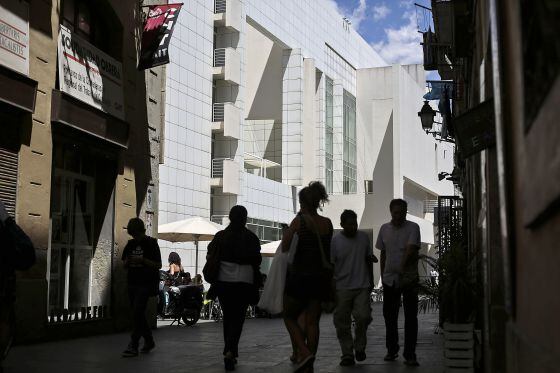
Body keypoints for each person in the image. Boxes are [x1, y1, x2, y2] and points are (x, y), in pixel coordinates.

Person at [282, 181, 333, 373]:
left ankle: (304, 352)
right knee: (313, 322)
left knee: (288, 316)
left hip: (300, 277)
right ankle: (309, 360)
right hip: (320, 279)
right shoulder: (327, 223)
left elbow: (285, 246)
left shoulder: (300, 221)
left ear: (303, 202)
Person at [206, 205, 262, 371]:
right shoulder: (251, 238)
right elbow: (257, 260)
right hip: (244, 283)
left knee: (228, 317)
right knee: (238, 318)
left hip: (223, 282)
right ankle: (230, 351)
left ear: (230, 217)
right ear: (245, 218)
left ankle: (229, 350)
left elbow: (210, 254)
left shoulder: (220, 236)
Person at [375, 199, 421, 367]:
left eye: (401, 212)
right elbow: (383, 254)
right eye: (395, 212)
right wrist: (382, 275)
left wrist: (401, 267)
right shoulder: (384, 229)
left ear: (405, 212)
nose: (398, 216)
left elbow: (411, 249)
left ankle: (410, 354)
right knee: (390, 316)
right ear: (390, 212)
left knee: (410, 317)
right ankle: (391, 349)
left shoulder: (413, 228)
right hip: (389, 279)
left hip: (408, 278)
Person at [331, 209, 378, 366]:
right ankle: (347, 353)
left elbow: (368, 259)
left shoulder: (364, 238)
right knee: (342, 322)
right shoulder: (335, 241)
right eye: (349, 224)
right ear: (342, 224)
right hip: (342, 287)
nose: (353, 227)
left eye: (355, 224)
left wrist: (371, 281)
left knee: (364, 317)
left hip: (362, 285)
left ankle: (359, 346)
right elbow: (331, 265)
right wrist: (331, 289)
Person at [0, 201, 35, 371]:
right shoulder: (4, 232)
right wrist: (7, 220)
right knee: (4, 319)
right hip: (3, 291)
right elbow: (27, 254)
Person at [121, 217, 162, 357]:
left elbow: (158, 265)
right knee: (137, 313)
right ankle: (149, 340)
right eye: (132, 235)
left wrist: (142, 260)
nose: (135, 237)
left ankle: (133, 344)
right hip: (132, 281)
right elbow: (124, 263)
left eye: (136, 234)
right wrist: (128, 262)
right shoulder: (130, 244)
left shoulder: (151, 243)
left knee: (138, 311)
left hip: (146, 283)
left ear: (141, 231)